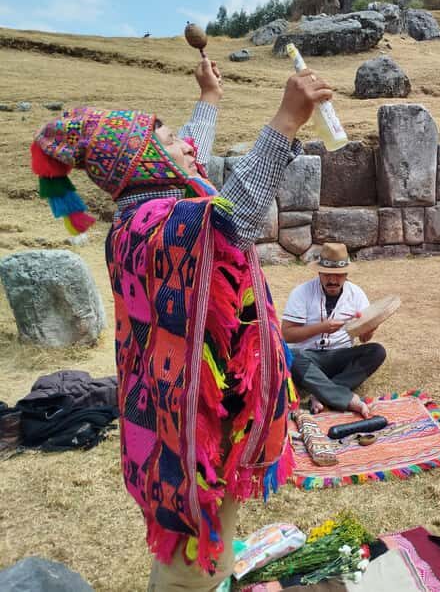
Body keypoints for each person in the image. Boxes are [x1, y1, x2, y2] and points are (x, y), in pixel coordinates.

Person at [31, 57, 334, 590]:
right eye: (169, 140)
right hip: (187, 428)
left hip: (205, 405)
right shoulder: (153, 227)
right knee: (194, 554)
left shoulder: (160, 203)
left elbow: (191, 147)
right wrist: (286, 121)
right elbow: (233, 220)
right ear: (147, 162)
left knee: (215, 533)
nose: (188, 146)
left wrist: (209, 98)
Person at [281, 242, 387, 418]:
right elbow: (286, 334)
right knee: (290, 357)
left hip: (339, 355)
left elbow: (364, 340)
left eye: (338, 275)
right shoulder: (301, 293)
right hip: (308, 357)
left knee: (377, 351)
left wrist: (369, 329)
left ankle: (321, 393)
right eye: (327, 274)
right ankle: (344, 398)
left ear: (346, 274)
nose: (332, 280)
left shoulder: (356, 294)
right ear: (319, 272)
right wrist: (321, 328)